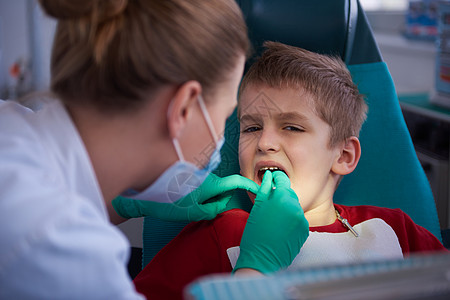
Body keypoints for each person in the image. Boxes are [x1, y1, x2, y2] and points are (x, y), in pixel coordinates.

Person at [0, 1, 308, 298]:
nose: (265, 143)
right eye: (229, 115)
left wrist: (122, 205)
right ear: (184, 108)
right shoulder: (60, 243)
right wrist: (257, 274)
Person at [131, 42, 447, 299]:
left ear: (344, 156)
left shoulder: (395, 231)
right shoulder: (222, 232)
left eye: (292, 127)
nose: (265, 143)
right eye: (252, 127)